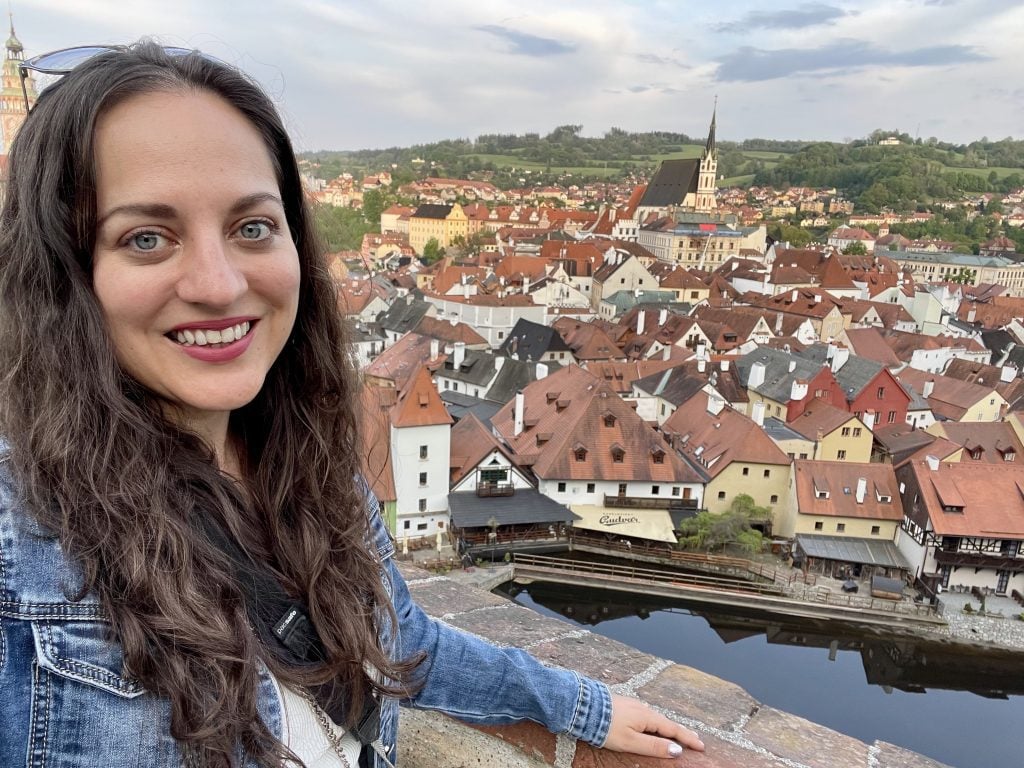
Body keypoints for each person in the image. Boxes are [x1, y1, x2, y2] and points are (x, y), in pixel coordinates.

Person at [0, 42, 705, 768]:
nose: (217, 283)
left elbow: (402, 645)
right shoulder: (17, 542)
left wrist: (580, 706)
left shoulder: (312, 468)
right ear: (63, 273)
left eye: (251, 227)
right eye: (147, 238)